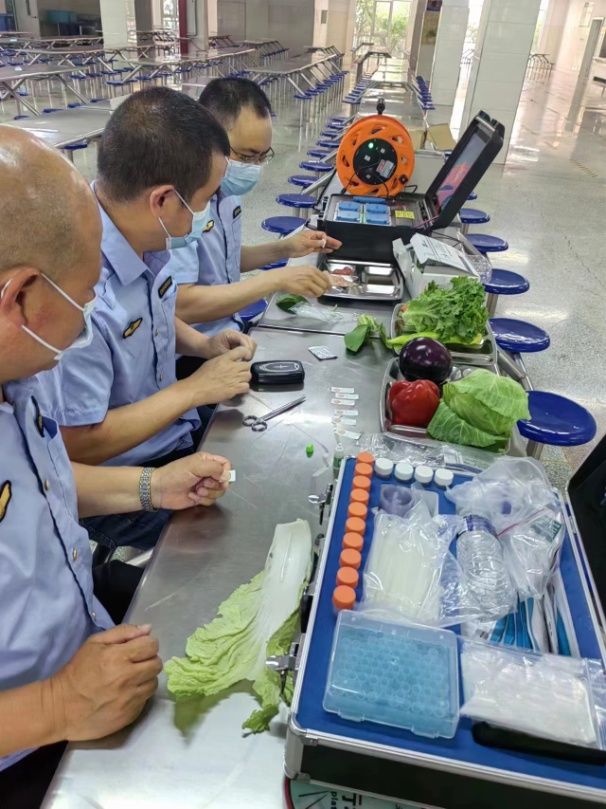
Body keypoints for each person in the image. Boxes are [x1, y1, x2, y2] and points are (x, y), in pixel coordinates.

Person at [0, 128, 234, 809]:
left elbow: (41, 491)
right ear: (19, 299)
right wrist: (55, 704)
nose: (83, 328)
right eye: (81, 301)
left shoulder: (19, 369)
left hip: (85, 651)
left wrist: (150, 484)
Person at [35, 87, 256, 550]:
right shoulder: (80, 289)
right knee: (248, 539)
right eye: (203, 200)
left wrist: (201, 345)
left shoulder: (143, 241)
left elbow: (152, 315)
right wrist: (193, 389)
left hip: (175, 439)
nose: (205, 214)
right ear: (162, 202)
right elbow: (76, 445)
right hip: (120, 486)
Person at [172, 78, 341, 376]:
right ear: (207, 139)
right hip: (191, 353)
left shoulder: (226, 190)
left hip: (226, 337)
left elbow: (225, 260)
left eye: (263, 156)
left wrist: (286, 247)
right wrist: (273, 280)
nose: (255, 167)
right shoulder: (179, 204)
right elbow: (181, 305)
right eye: (247, 156)